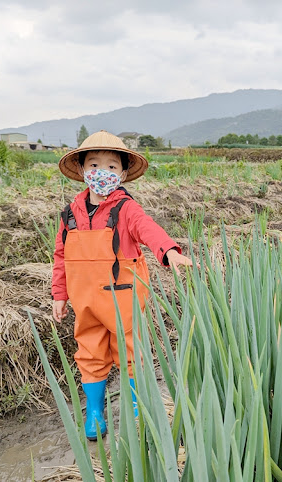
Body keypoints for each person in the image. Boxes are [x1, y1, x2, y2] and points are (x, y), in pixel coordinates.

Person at [51, 130, 193, 441]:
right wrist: (59, 294)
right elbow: (60, 255)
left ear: (124, 173)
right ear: (83, 170)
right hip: (85, 300)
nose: (103, 172)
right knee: (89, 353)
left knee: (130, 352)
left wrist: (169, 251)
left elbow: (146, 228)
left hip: (122, 298)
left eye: (112, 166)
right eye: (95, 165)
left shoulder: (125, 208)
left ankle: (137, 407)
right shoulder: (69, 213)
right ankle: (95, 412)